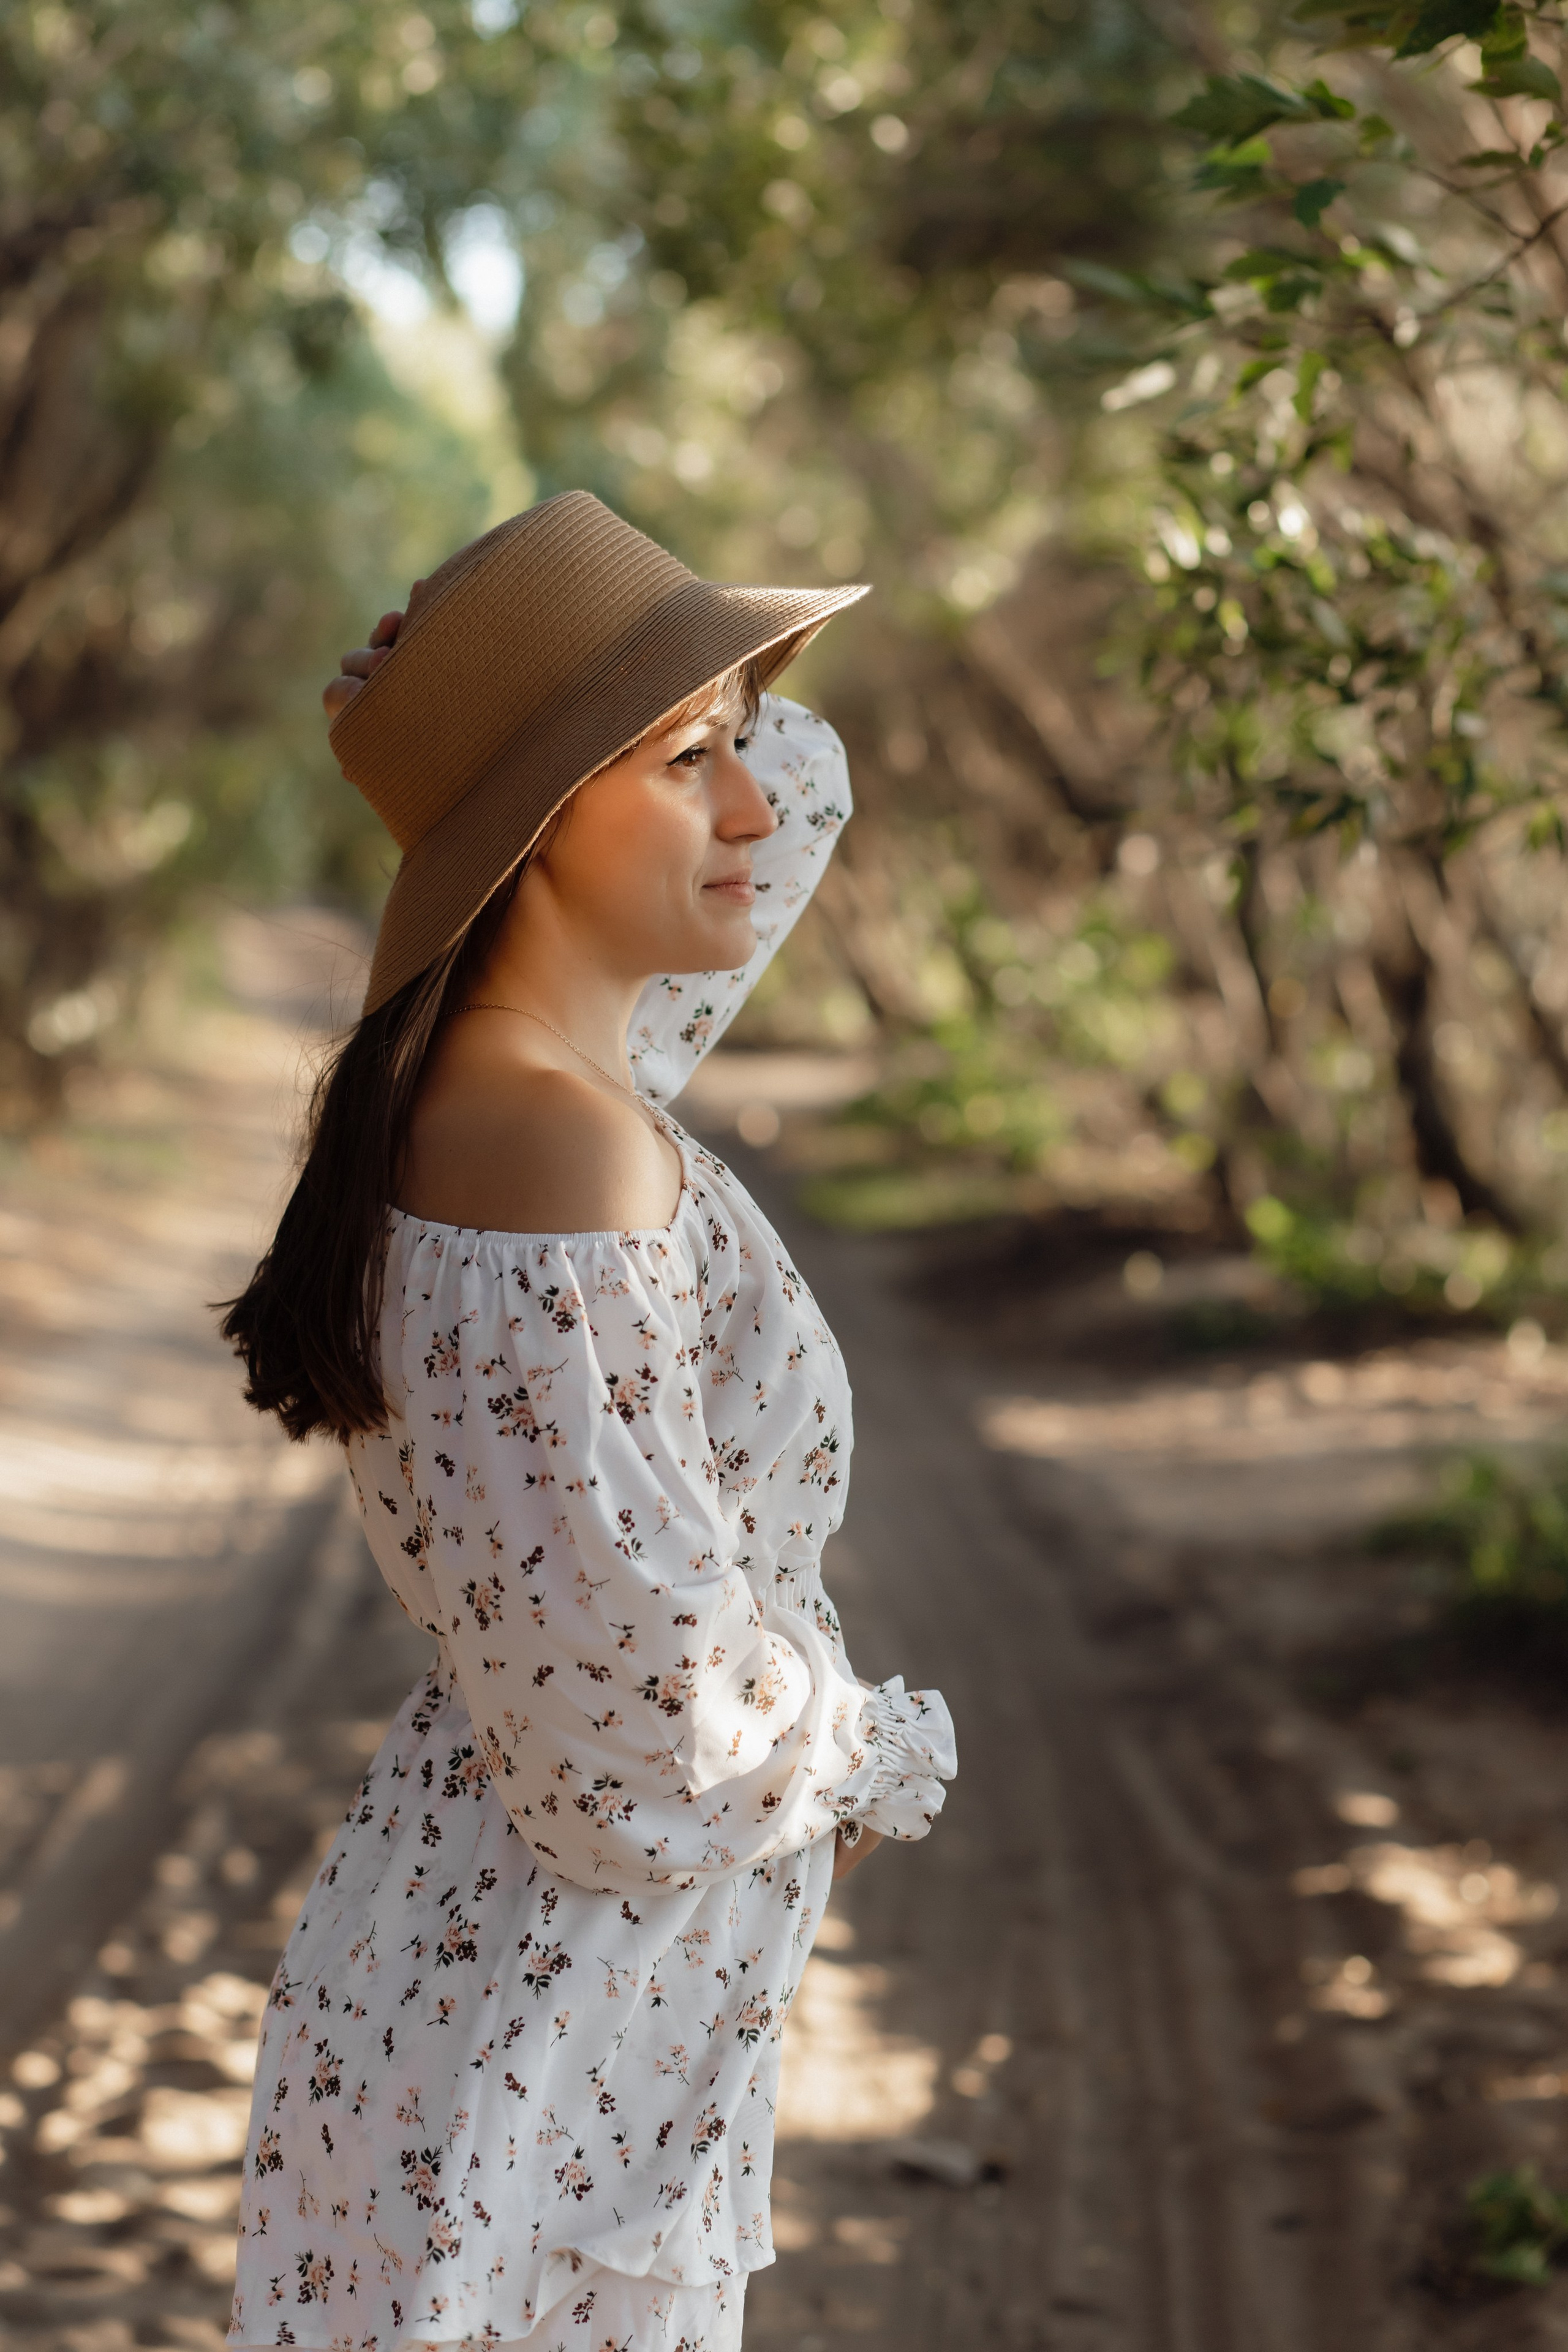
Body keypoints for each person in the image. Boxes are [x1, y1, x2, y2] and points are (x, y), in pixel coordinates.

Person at [221, 491, 957, 2352]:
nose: (754, 806)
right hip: (549, 2038)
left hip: (513, 2001)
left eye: (735, 747)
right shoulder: (562, 1145)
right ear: (544, 827)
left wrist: (466, 735)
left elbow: (795, 799)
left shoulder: (531, 1076)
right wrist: (859, 1760)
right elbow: (645, 1724)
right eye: (684, 760)